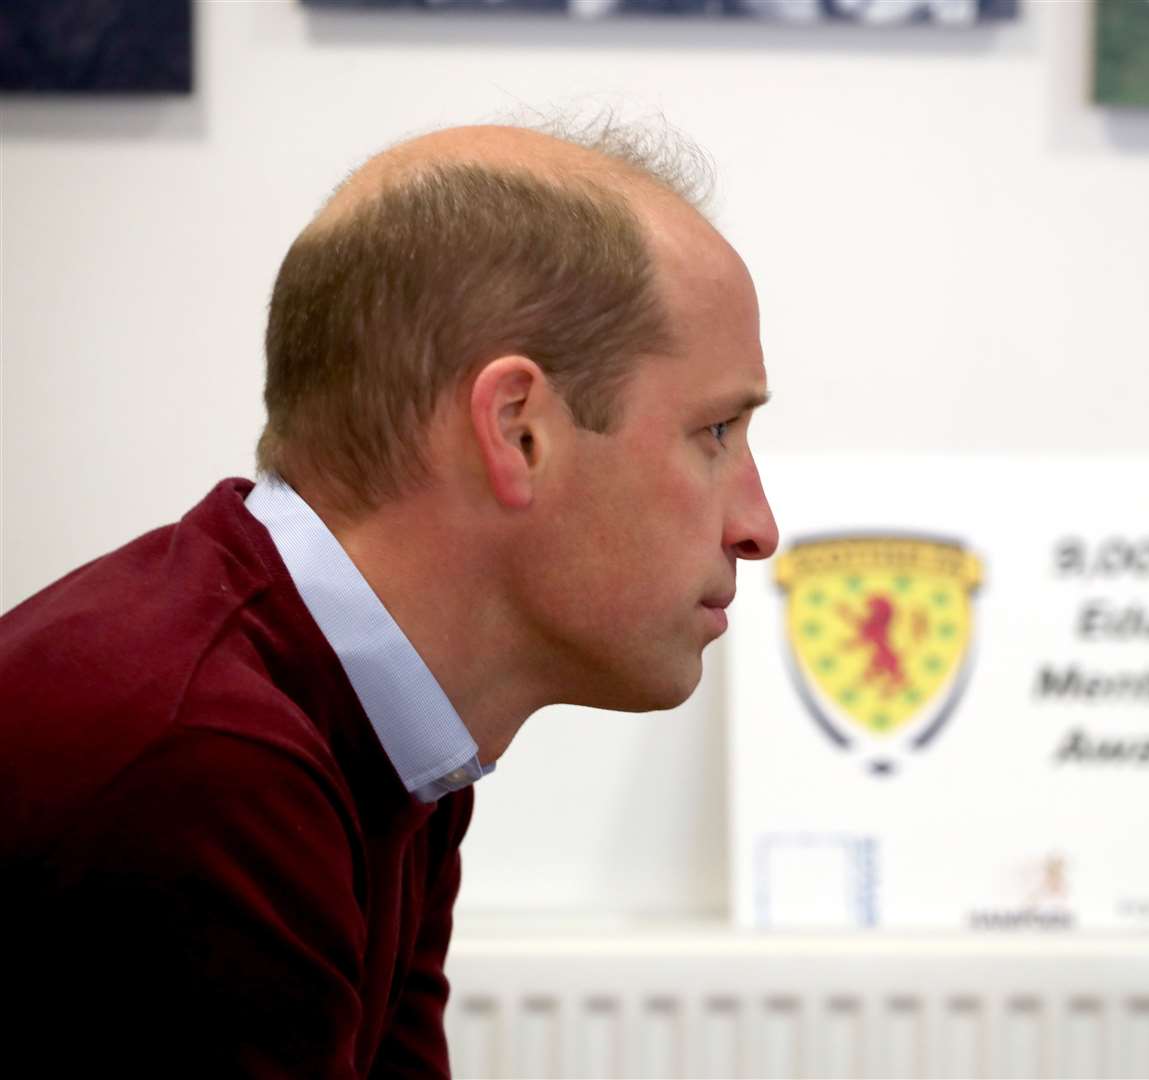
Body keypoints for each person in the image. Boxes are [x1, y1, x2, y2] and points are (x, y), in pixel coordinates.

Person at [0, 121, 778, 1076]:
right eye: (716, 431)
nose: (758, 526)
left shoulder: (390, 732)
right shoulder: (201, 765)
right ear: (517, 431)